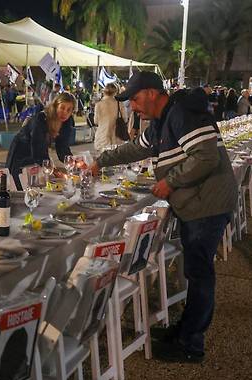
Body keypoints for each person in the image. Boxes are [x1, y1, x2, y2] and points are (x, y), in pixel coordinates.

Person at [89, 72, 237, 363]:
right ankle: (186, 330)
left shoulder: (183, 114)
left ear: (153, 93)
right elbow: (135, 149)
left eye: (135, 98)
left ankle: (191, 345)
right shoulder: (160, 122)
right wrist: (100, 161)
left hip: (207, 204)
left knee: (200, 274)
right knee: (195, 272)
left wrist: (171, 181)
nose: (132, 107)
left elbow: (207, 157)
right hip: (196, 202)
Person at [5, 92, 76, 190]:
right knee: (17, 185)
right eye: (62, 108)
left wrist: (72, 161)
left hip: (38, 153)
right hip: (21, 152)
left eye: (69, 110)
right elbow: (38, 150)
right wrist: (53, 170)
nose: (65, 113)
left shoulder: (66, 122)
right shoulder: (42, 119)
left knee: (37, 186)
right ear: (55, 106)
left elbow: (62, 147)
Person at [93, 83, 127, 152]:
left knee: (103, 159)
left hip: (102, 136)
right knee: (116, 159)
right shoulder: (119, 103)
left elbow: (96, 121)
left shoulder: (99, 104)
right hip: (117, 137)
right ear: (116, 92)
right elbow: (125, 118)